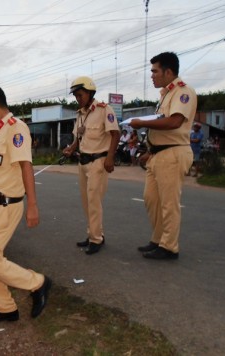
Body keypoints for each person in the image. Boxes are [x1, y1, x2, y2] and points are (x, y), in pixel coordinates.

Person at [0, 85, 51, 324]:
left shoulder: (17, 128)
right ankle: (6, 308)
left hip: (5, 206)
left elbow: (26, 167)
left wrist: (33, 205)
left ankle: (38, 283)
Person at [130, 52, 197, 260]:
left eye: (155, 71)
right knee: (152, 199)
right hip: (158, 154)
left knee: (168, 203)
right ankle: (158, 239)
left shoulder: (182, 91)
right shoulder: (165, 94)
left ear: (168, 71)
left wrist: (141, 123)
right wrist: (149, 152)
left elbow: (174, 122)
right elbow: (162, 125)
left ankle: (169, 247)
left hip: (173, 153)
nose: (152, 76)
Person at [63, 76, 120, 255]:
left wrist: (110, 158)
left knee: (94, 201)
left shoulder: (104, 109)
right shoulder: (80, 114)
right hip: (83, 162)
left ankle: (96, 239)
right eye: (76, 96)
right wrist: (71, 148)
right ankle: (94, 234)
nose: (77, 98)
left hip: (98, 162)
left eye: (80, 95)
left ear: (90, 92)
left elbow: (115, 134)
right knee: (87, 202)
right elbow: (78, 138)